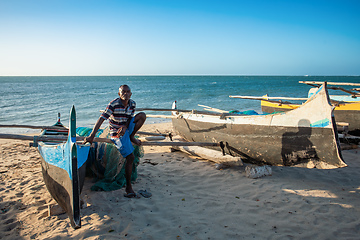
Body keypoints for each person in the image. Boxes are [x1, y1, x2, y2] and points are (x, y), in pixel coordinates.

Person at [84, 85, 146, 198]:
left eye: (128, 92)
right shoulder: (113, 104)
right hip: (116, 132)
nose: (125, 94)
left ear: (131, 94)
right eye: (123, 92)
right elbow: (102, 118)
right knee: (130, 157)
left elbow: (130, 119)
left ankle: (132, 136)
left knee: (142, 115)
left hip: (126, 129)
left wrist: (126, 127)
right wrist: (92, 136)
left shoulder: (132, 104)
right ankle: (128, 187)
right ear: (119, 94)